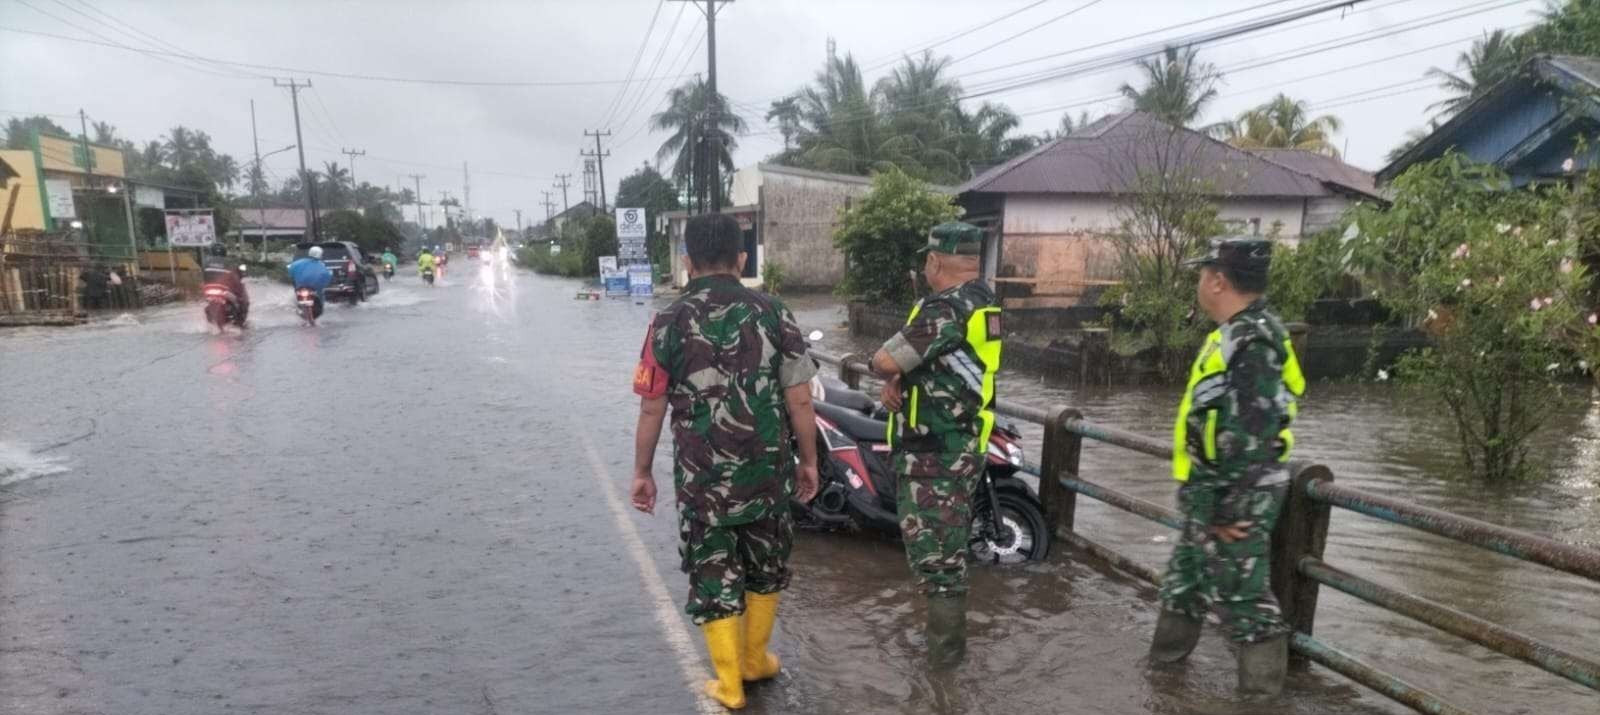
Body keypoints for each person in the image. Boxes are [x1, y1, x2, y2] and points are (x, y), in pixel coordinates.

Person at [630, 213, 820, 710]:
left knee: (713, 572)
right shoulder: (775, 312)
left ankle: (730, 682)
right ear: (741, 259)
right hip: (768, 474)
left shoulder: (667, 321)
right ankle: (756, 659)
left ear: (687, 263)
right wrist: (809, 462)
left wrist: (642, 472)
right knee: (766, 566)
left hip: (703, 481)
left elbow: (652, 405)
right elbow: (800, 399)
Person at [1151, 238, 1305, 697]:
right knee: (1185, 583)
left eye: (1203, 274)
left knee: (1246, 602)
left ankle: (1261, 701)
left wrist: (1226, 509)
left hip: (1235, 496)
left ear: (1219, 280)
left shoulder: (1254, 339)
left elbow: (1252, 432)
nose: (1199, 283)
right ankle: (1162, 680)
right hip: (1211, 492)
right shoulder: (1234, 333)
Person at [867, 221, 1001, 669]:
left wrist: (887, 369)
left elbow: (885, 356)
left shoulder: (946, 308)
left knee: (940, 568)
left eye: (926, 258)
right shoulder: (983, 301)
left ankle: (944, 673)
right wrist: (902, 378)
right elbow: (943, 363)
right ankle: (943, 659)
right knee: (943, 559)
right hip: (958, 445)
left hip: (936, 457)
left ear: (934, 260)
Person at [288, 245, 333, 319]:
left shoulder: (299, 262)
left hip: (302, 287)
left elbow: (291, 271)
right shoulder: (321, 265)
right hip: (310, 288)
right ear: (320, 254)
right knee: (321, 294)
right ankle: (316, 308)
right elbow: (326, 276)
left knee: (297, 293)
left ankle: (300, 308)